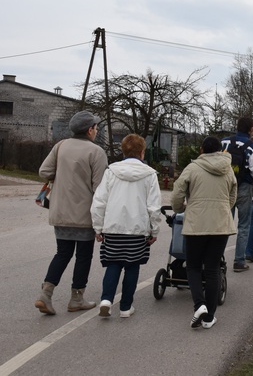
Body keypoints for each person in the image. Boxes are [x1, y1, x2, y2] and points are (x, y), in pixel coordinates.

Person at [36, 110, 109, 315]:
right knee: (83, 256)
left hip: (59, 211)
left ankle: (46, 294)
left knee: (62, 253)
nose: (96, 130)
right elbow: (100, 188)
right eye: (95, 127)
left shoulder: (60, 146)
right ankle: (76, 298)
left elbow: (44, 172)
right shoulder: (96, 152)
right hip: (84, 214)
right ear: (90, 130)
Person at [90, 134, 161, 318]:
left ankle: (106, 299)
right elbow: (154, 206)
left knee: (113, 264)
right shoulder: (150, 175)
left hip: (113, 228)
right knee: (132, 266)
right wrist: (154, 230)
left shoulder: (110, 172)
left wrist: (98, 227)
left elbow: (99, 202)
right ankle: (125, 307)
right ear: (142, 152)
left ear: (123, 150)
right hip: (137, 230)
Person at [172, 136, 237, 329]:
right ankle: (210, 317)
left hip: (196, 225)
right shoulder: (228, 170)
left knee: (193, 266)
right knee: (212, 268)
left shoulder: (192, 168)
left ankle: (199, 304)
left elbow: (177, 193)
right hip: (220, 225)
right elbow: (232, 196)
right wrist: (223, 209)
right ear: (220, 150)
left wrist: (179, 208)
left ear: (201, 150)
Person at [221, 118, 253, 273]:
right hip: (244, 187)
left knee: (224, 224)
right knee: (244, 225)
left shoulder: (224, 142)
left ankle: (218, 258)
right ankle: (239, 261)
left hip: (225, 187)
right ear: (251, 129)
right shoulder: (251, 146)